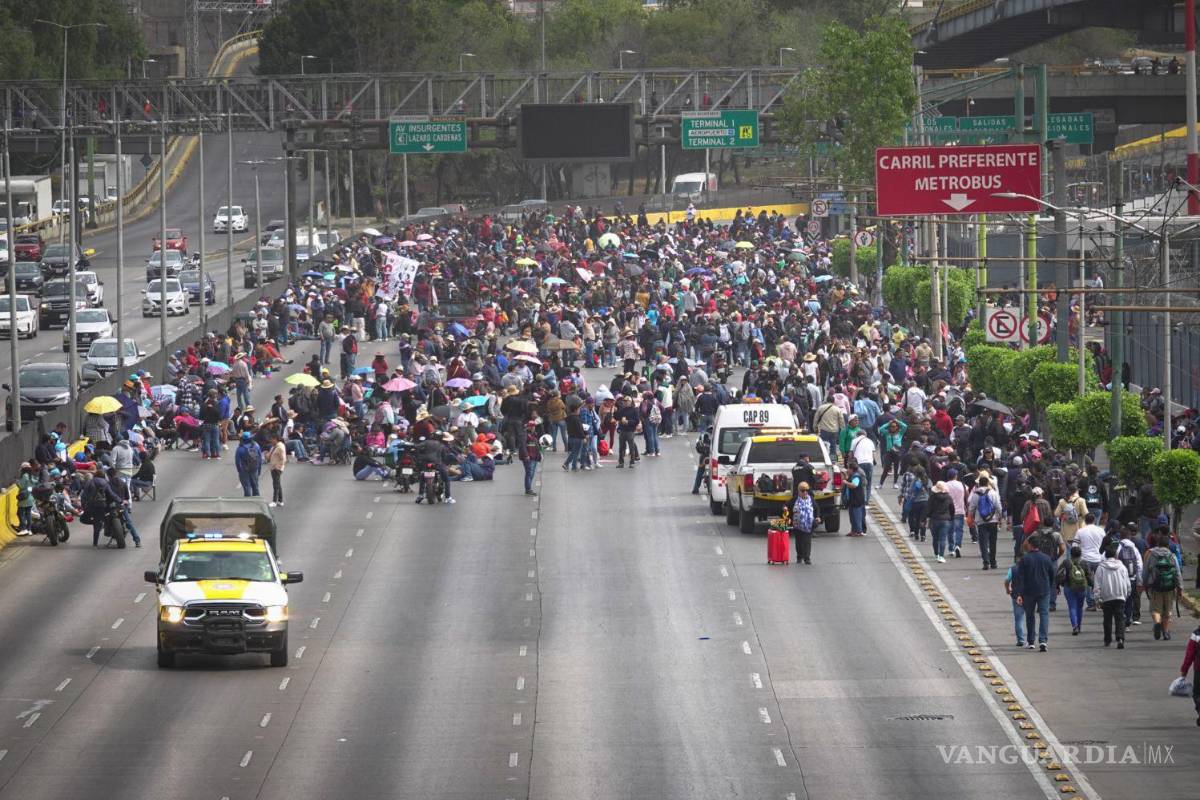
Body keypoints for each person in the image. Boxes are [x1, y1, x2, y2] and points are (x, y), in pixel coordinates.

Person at [1013, 535, 1056, 651]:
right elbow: (1052, 575)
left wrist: (1019, 594)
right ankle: (1043, 641)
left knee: (1030, 616)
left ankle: (1031, 641)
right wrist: (1051, 587)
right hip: (1044, 590)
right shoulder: (1046, 558)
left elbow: (1020, 578)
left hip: (1029, 591)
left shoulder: (1025, 559)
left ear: (1030, 545)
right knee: (1044, 615)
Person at [1142, 531, 1182, 641]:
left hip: (1155, 587)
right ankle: (1166, 632)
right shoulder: (1172, 556)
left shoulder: (1151, 554)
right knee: (1168, 610)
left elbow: (1145, 571)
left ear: (1157, 544)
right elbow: (1178, 573)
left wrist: (1144, 584)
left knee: (1156, 610)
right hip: (1170, 587)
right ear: (1168, 545)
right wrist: (1180, 588)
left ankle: (1157, 623)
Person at [1094, 543, 1132, 648]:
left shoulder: (1101, 568)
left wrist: (1097, 598)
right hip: (1120, 596)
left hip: (1106, 597)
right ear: (1116, 555)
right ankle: (1120, 638)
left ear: (1105, 555)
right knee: (1120, 618)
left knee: (1107, 619)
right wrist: (1127, 594)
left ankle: (1107, 639)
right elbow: (1127, 583)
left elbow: (1097, 584)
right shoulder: (1122, 567)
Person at [1055, 545, 1092, 636]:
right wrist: (1092, 585)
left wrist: (1057, 586)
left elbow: (1059, 574)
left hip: (1069, 587)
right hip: (1082, 588)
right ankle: (1079, 626)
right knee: (1080, 608)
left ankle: (1074, 626)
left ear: (1071, 554)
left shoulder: (1066, 562)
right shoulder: (1084, 563)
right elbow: (1089, 576)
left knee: (1072, 607)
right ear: (1080, 554)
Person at [967, 475, 1002, 570]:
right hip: (993, 520)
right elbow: (998, 505)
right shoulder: (993, 493)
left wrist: (970, 518)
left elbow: (971, 508)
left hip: (981, 521)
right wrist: (1000, 517)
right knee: (992, 542)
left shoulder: (976, 494)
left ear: (979, 484)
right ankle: (993, 562)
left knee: (983, 542)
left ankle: (985, 562)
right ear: (987, 483)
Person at [1073, 512, 1105, 610]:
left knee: (1086, 582)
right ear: (1094, 520)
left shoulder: (1080, 531)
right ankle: (1101, 601)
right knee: (1100, 581)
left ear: (1085, 521)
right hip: (1099, 559)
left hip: (1085, 559)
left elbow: (1075, 546)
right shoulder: (1101, 531)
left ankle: (1091, 604)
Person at [1117, 524, 1144, 627]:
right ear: (1129, 537)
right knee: (1129, 600)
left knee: (1120, 600)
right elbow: (1139, 566)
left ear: (1121, 536)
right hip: (1132, 578)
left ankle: (1121, 619)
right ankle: (1127, 621)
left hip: (1119, 579)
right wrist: (1140, 581)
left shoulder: (1117, 547)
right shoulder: (1134, 549)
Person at [791, 481, 819, 565]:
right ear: (799, 491)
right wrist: (785, 508)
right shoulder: (794, 499)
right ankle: (799, 556)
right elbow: (786, 505)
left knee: (807, 541)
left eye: (807, 490)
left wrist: (818, 517)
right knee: (799, 542)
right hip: (798, 525)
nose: (805, 492)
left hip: (808, 524)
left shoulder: (811, 499)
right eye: (803, 490)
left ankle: (807, 558)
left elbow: (817, 508)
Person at [927, 481, 954, 563]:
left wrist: (925, 518)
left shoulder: (932, 497)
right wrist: (951, 517)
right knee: (943, 538)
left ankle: (936, 554)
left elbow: (928, 508)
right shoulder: (948, 497)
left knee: (935, 538)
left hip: (934, 519)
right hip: (945, 520)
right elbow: (952, 509)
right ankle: (941, 556)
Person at [1179, 621, 1200, 726]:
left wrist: (1184, 670)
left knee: (1197, 693)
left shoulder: (1196, 634)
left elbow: (1190, 654)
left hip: (1199, 670)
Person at [1004, 554, 1027, 647]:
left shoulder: (1012, 569)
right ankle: (1031, 639)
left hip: (1016, 595)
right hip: (1029, 595)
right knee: (1030, 618)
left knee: (1019, 619)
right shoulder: (1029, 569)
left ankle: (1021, 639)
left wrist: (1007, 589)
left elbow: (1007, 580)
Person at [843, 457, 867, 537]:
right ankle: (853, 530)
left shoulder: (856, 476)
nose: (847, 470)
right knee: (852, 517)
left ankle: (859, 531)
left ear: (852, 469)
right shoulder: (852, 475)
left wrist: (846, 482)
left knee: (857, 516)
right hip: (852, 500)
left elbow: (854, 485)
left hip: (856, 500)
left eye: (848, 468)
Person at [235, 431, 263, 497]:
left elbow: (237, 462)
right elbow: (260, 459)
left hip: (244, 470)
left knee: (247, 487)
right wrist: (259, 470)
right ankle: (257, 500)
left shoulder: (240, 449)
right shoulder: (256, 446)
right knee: (255, 486)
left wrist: (240, 471)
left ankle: (248, 502)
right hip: (254, 469)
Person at [519, 419, 541, 496]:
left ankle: (528, 488)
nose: (533, 427)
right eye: (531, 426)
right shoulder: (524, 434)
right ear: (528, 426)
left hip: (534, 456)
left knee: (531, 473)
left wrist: (539, 456)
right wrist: (526, 455)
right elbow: (523, 445)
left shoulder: (534, 434)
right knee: (529, 473)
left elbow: (536, 446)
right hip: (528, 457)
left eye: (534, 426)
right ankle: (528, 489)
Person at [267, 434, 286, 507]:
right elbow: (270, 455)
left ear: (275, 439)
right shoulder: (273, 447)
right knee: (278, 484)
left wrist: (277, 467)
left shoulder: (280, 447)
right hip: (273, 467)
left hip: (277, 468)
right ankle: (280, 501)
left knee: (275, 485)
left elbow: (283, 459)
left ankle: (274, 501)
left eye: (271, 439)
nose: (270, 441)